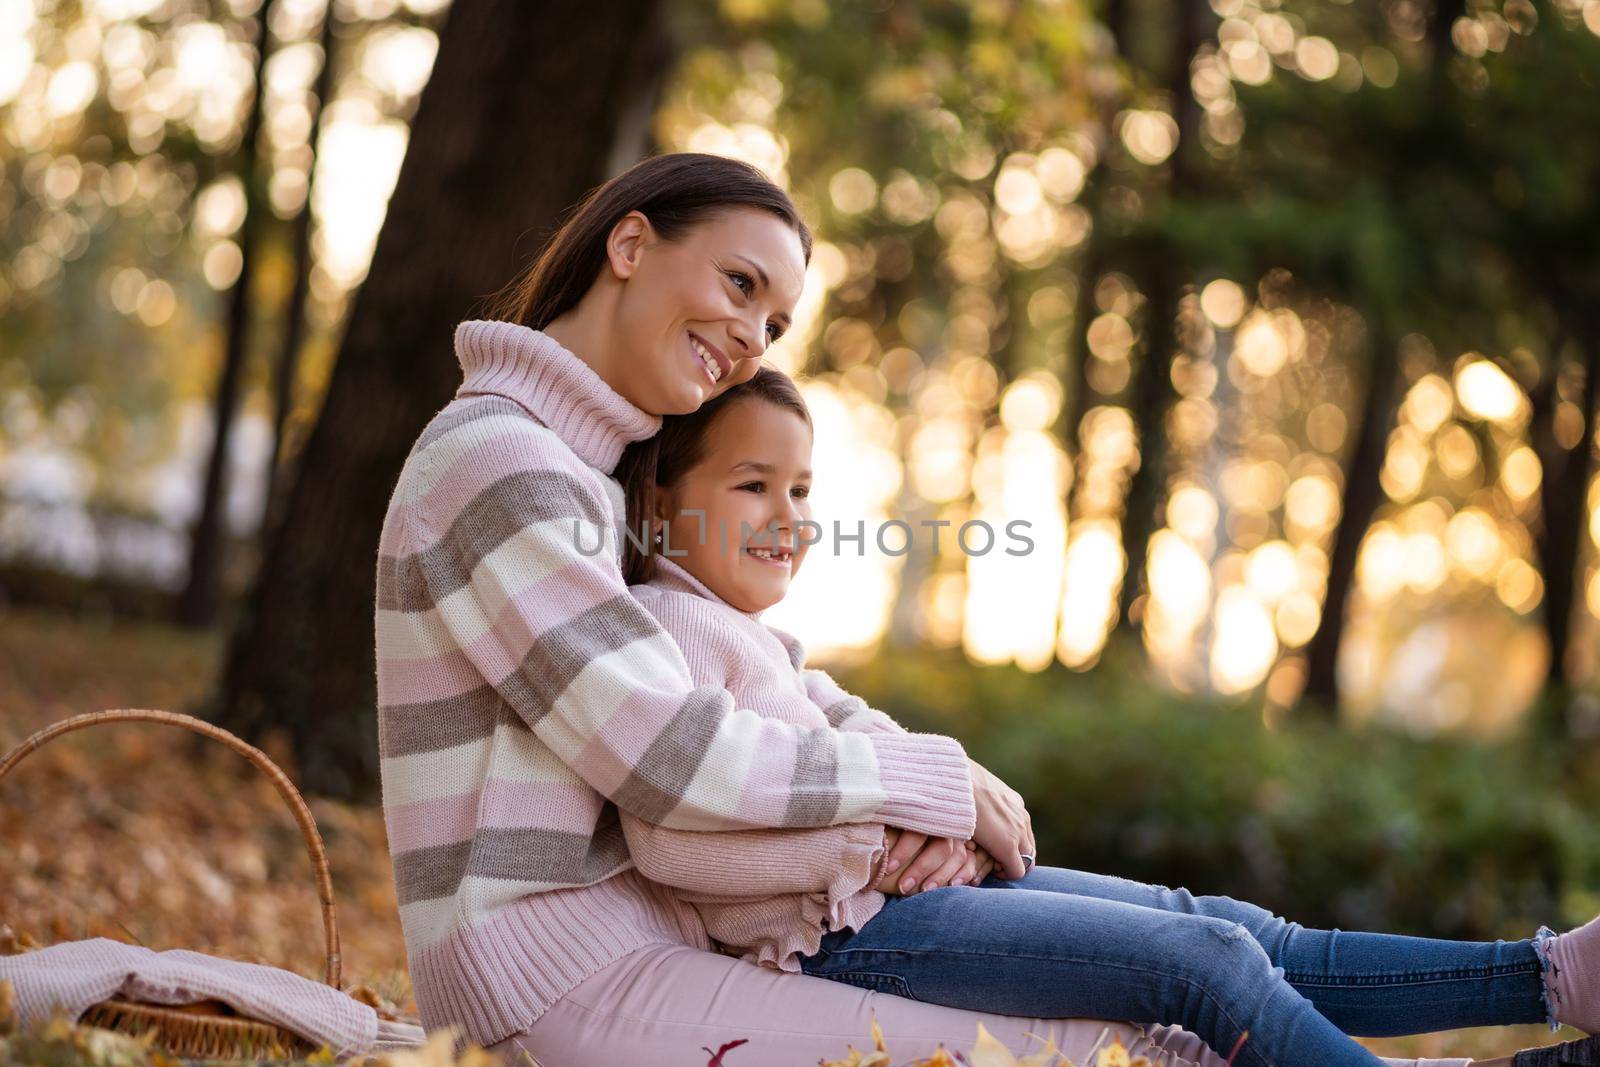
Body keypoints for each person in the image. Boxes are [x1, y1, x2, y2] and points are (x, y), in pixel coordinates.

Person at [374, 150, 1598, 1066]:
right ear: (629, 243)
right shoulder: (502, 458)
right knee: (1107, 1042)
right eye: (738, 283)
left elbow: (768, 702)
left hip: (669, 931)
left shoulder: (583, 468)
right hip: (554, 981)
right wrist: (927, 787)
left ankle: (1549, 978)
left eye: (775, 319)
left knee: (1178, 962)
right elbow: (665, 755)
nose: (749, 337)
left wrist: (922, 792)